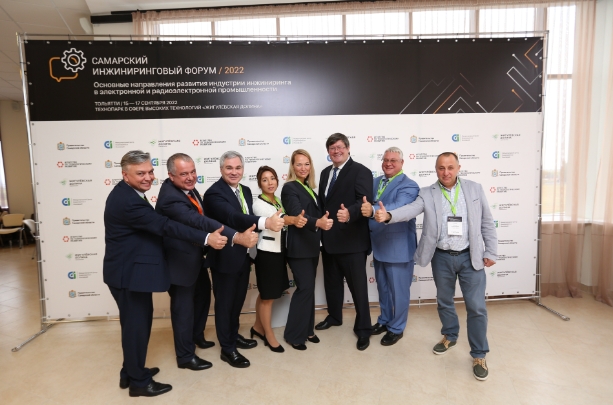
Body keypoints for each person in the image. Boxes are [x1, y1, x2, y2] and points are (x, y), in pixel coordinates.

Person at [374, 152, 497, 381]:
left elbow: (487, 222)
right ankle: (450, 336)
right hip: (441, 257)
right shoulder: (426, 193)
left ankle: (479, 354)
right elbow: (410, 210)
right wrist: (388, 215)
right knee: (444, 301)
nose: (446, 172)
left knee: (476, 307)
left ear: (458, 168)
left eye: (450, 167)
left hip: (470, 256)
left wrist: (490, 251)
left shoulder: (474, 189)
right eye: (441, 168)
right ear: (436, 169)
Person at [103, 150, 209, 397]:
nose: (148, 177)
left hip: (130, 273)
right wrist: (206, 237)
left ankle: (130, 372)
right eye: (140, 173)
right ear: (125, 175)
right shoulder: (127, 200)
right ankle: (139, 383)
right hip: (128, 276)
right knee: (136, 328)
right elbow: (164, 225)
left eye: (150, 172)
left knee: (134, 327)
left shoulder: (129, 193)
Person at [155, 153, 257, 371]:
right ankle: (185, 356)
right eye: (184, 174)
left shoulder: (188, 189)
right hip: (179, 262)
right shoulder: (170, 197)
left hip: (195, 258)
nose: (191, 177)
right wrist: (237, 237)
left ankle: (197, 336)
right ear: (171, 175)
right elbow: (197, 220)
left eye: (193, 172)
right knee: (183, 310)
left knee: (202, 298)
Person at [203, 151, 284, 368]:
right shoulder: (214, 194)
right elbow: (233, 217)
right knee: (225, 305)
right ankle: (227, 349)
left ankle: (232, 336)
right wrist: (266, 222)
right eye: (229, 168)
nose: (234, 172)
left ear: (243, 169)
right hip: (224, 258)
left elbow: (246, 221)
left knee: (237, 302)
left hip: (244, 257)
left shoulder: (245, 190)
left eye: (238, 168)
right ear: (221, 169)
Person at [315, 133, 374, 351]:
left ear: (348, 148)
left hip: (352, 242)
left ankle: (364, 328)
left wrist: (349, 213)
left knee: (358, 288)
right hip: (329, 240)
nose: (336, 151)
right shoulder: (325, 173)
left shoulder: (361, 171)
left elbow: (364, 202)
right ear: (328, 151)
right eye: (332, 148)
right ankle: (334, 316)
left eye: (340, 147)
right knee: (332, 284)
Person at [360, 147, 419, 346]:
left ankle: (397, 327)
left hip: (398, 248)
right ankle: (385, 320)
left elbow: (398, 207)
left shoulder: (409, 185)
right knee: (383, 289)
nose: (388, 163)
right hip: (378, 245)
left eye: (393, 160)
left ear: (402, 163)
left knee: (399, 292)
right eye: (385, 159)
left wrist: (371, 210)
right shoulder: (375, 181)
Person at [250, 165, 307, 353]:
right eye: (265, 180)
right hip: (267, 254)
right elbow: (281, 219)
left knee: (266, 294)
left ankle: (258, 327)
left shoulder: (278, 200)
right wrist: (295, 219)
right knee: (268, 297)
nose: (270, 183)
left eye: (272, 178)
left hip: (279, 252)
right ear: (259, 184)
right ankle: (269, 335)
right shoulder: (258, 204)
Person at [281, 149, 333, 350]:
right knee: (304, 289)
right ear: (292, 167)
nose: (303, 168)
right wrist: (319, 222)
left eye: (306, 164)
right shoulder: (289, 188)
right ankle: (294, 335)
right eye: (299, 164)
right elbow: (297, 215)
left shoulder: (308, 187)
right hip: (299, 248)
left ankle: (308, 330)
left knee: (308, 290)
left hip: (311, 247)